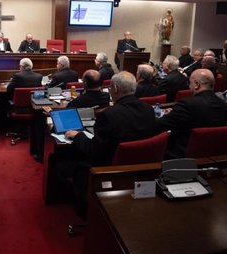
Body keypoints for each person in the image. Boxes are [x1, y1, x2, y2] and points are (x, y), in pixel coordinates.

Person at [61, 71, 156, 216]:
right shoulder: (148, 109)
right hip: (141, 168)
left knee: (63, 163)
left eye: (111, 87)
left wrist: (78, 135)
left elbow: (94, 152)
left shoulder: (109, 114)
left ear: (116, 88)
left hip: (109, 168)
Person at [156, 68, 227, 158]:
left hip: (182, 156)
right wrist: (176, 113)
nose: (189, 86)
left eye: (189, 83)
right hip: (212, 154)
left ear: (196, 84)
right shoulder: (224, 105)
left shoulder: (187, 104)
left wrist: (169, 114)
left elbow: (160, 125)